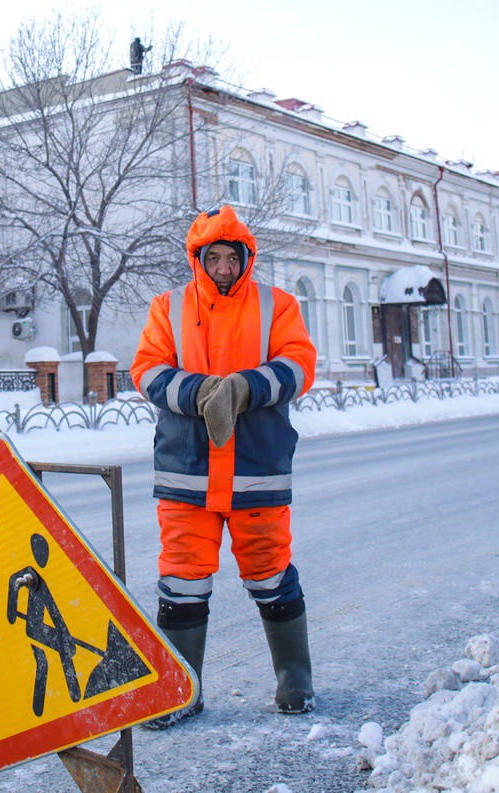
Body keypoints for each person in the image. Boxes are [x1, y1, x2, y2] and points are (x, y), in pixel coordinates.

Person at [131, 205, 317, 726]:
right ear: (198, 259)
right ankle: (180, 691)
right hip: (187, 470)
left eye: (230, 257)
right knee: (182, 579)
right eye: (211, 257)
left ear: (244, 257)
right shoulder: (168, 307)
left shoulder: (276, 305)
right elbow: (146, 370)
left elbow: (300, 364)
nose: (222, 267)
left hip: (256, 465)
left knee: (270, 573)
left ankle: (295, 681)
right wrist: (200, 391)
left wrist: (244, 387)